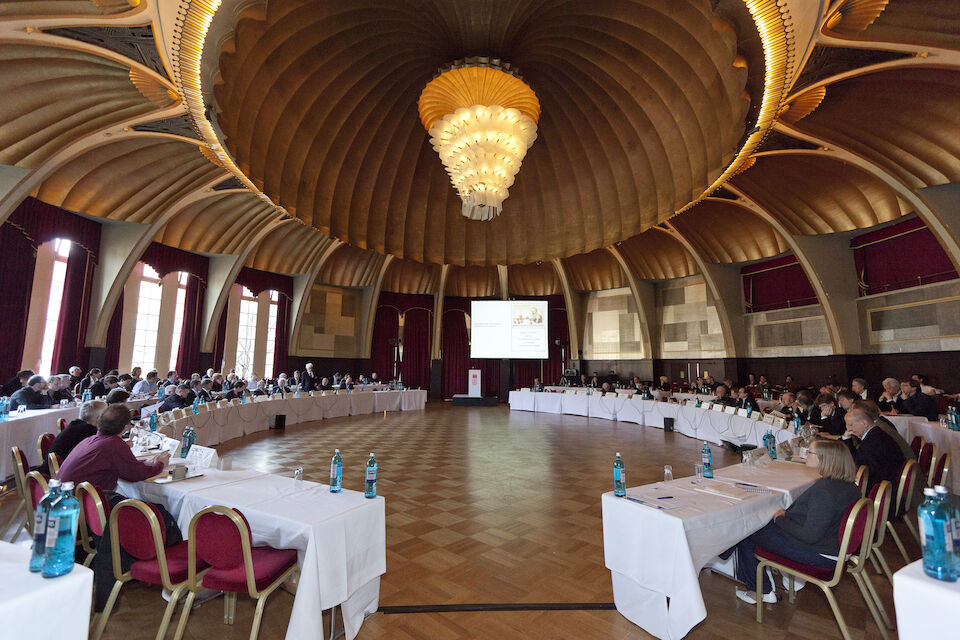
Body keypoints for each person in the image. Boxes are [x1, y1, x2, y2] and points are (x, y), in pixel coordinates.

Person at [733, 439, 860, 604]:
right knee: (758, 526)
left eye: (810, 452)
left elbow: (809, 536)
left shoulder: (825, 492)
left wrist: (780, 519)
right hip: (831, 545)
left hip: (820, 554)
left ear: (824, 459)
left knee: (747, 532)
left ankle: (759, 591)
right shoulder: (848, 486)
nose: (806, 453)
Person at [56, 404, 169, 492]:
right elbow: (135, 474)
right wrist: (160, 464)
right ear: (126, 427)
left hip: (66, 493)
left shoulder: (90, 440)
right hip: (81, 503)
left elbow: (121, 464)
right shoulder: (113, 444)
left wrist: (145, 462)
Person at [845, 405, 907, 492]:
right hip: (887, 484)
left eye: (851, 425)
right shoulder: (877, 434)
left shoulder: (871, 442)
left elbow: (859, 469)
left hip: (880, 490)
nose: (848, 429)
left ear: (864, 423)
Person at [40, 400, 108, 475]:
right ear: (99, 419)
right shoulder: (88, 431)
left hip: (56, 469)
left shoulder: (77, 425)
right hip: (60, 475)